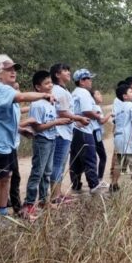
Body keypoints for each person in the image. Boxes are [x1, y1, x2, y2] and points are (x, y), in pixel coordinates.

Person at [0, 54, 53, 222]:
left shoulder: (8, 92)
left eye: (14, 69)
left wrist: (21, 130)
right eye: (7, 69)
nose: (12, 72)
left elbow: (7, 119)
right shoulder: (0, 88)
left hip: (5, 143)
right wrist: (44, 95)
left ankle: (3, 214)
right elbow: (22, 97)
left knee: (6, 177)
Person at [23, 70, 71, 217]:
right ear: (38, 87)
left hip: (52, 139)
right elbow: (37, 127)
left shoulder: (50, 102)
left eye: (51, 82)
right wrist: (56, 122)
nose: (50, 85)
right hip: (42, 141)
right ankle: (29, 203)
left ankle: (44, 201)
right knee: (38, 172)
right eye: (46, 83)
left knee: (47, 172)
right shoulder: (37, 105)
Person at [48, 63, 89, 204]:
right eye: (64, 70)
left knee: (60, 164)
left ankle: (58, 194)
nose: (68, 72)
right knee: (57, 164)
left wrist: (74, 121)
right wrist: (79, 118)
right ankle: (54, 196)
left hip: (65, 131)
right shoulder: (58, 90)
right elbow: (62, 112)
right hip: (60, 132)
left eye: (68, 70)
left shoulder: (62, 90)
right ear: (57, 74)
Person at [70, 69, 107, 194]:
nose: (91, 81)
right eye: (88, 79)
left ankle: (75, 185)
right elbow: (86, 111)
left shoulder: (75, 92)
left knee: (76, 159)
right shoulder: (84, 93)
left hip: (75, 129)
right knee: (90, 157)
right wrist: (98, 116)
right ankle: (94, 185)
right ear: (81, 81)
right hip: (84, 129)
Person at [109, 81, 132, 191]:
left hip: (119, 138)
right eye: (130, 92)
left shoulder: (118, 108)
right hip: (129, 140)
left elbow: (115, 122)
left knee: (119, 163)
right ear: (125, 96)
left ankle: (113, 184)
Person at [91, 89, 111, 182]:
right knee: (102, 156)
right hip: (95, 133)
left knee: (93, 156)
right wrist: (109, 114)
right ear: (92, 97)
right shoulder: (96, 108)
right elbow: (102, 121)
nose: (100, 95)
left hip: (94, 133)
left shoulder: (93, 107)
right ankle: (99, 179)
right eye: (97, 94)